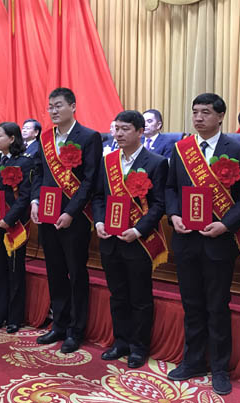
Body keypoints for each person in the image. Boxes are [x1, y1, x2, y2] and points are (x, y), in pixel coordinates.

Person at [165, 93, 240, 395]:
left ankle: (219, 368)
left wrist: (226, 224)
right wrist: (173, 214)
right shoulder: (181, 149)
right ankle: (192, 361)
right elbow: (170, 188)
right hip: (186, 240)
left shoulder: (238, 149)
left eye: (205, 112)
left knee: (217, 306)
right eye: (195, 112)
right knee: (191, 304)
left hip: (219, 241)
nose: (198, 117)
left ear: (220, 116)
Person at [93, 110, 168, 369]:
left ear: (140, 132)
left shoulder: (156, 163)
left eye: (125, 129)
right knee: (117, 294)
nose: (119, 134)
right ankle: (120, 342)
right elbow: (99, 197)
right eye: (116, 129)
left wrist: (138, 230)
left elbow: (159, 204)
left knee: (140, 297)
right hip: (110, 239)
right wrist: (99, 221)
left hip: (138, 241)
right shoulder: (107, 162)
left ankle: (138, 347)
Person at [30, 87, 103, 353]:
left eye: (58, 105)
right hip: (47, 215)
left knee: (76, 274)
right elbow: (38, 173)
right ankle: (58, 325)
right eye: (50, 106)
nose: (53, 111)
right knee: (55, 271)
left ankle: (76, 330)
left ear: (73, 106)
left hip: (75, 217)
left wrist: (71, 212)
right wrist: (34, 201)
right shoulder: (45, 138)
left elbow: (90, 180)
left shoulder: (89, 137)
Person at [0, 122, 33, 333]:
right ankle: (0, 314)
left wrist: (9, 219)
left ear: (12, 138)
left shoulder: (25, 162)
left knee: (14, 271)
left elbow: (25, 196)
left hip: (13, 225)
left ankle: (14, 317)